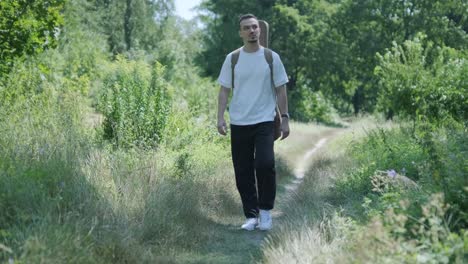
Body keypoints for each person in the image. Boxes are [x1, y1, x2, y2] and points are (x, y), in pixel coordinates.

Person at [216, 14, 290, 231]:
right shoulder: (233, 59)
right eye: (247, 28)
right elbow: (223, 91)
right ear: (240, 32)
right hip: (239, 121)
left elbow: (281, 89)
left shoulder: (271, 57)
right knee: (243, 170)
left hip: (265, 120)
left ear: (260, 30)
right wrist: (220, 117)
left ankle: (266, 211)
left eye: (255, 27)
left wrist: (285, 118)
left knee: (265, 164)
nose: (252, 31)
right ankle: (251, 215)